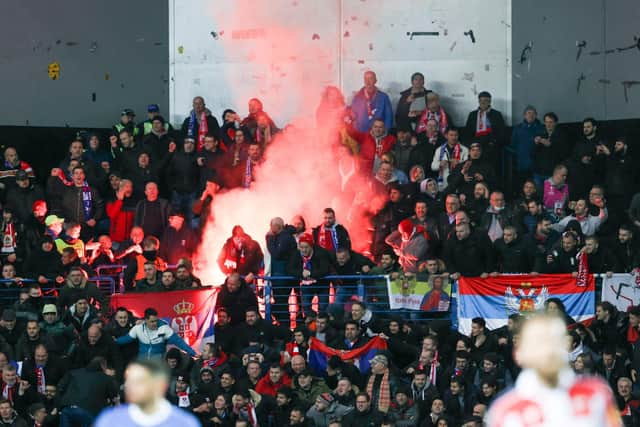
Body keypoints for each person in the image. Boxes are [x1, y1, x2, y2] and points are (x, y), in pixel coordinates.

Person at [486, 315, 622, 427]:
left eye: (554, 341)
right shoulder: (505, 410)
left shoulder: (597, 394)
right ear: (520, 354)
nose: (548, 350)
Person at [95, 359, 200, 427]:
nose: (129, 386)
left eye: (139, 381)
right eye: (129, 380)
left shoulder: (185, 423)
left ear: (159, 385)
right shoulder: (109, 420)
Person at [115, 307, 196, 359]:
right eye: (152, 321)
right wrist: (115, 341)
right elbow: (126, 338)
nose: (155, 323)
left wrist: (193, 353)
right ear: (145, 320)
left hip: (159, 361)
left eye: (156, 321)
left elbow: (179, 342)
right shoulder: (138, 328)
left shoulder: (164, 328)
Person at [464, 91, 506, 171]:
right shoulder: (472, 115)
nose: (483, 103)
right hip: (475, 147)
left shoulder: (497, 115)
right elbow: (467, 133)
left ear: (490, 102)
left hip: (491, 148)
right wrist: (471, 145)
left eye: (486, 101)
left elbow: (502, 133)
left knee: (491, 171)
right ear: (478, 101)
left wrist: (494, 142)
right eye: (481, 101)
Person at [510, 105, 544, 186]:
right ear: (524, 115)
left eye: (533, 113)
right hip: (522, 163)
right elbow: (513, 144)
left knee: (536, 186)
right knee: (522, 185)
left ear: (536, 115)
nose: (530, 115)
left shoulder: (541, 128)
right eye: (528, 113)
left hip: (537, 164)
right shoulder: (517, 128)